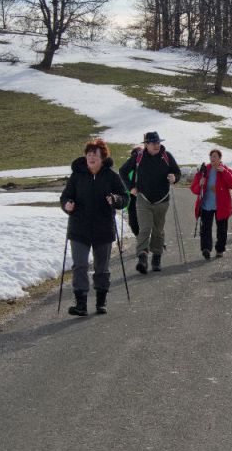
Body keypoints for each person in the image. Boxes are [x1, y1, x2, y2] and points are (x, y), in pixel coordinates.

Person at [59, 138, 130, 316]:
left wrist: (115, 199)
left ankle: (101, 301)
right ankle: (81, 303)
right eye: (88, 154)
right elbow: (65, 196)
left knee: (102, 267)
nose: (90, 157)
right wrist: (67, 204)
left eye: (94, 155)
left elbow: (125, 198)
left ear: (102, 158)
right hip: (79, 228)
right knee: (80, 265)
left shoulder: (112, 177)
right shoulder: (77, 175)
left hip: (103, 229)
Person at [118, 131, 182, 274]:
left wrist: (174, 178)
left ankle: (157, 257)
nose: (157, 145)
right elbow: (122, 171)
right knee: (145, 228)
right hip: (143, 199)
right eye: (153, 143)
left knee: (158, 230)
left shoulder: (167, 156)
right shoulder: (138, 157)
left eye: (158, 142)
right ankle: (142, 257)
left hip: (162, 199)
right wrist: (131, 188)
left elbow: (177, 173)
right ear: (146, 145)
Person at [190, 149, 232, 260]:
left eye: (215, 156)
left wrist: (224, 172)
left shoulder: (225, 169)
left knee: (222, 230)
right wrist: (200, 184)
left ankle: (220, 249)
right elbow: (194, 188)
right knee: (205, 229)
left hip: (221, 206)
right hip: (206, 205)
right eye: (211, 156)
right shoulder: (204, 171)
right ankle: (206, 249)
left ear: (220, 158)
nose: (213, 159)